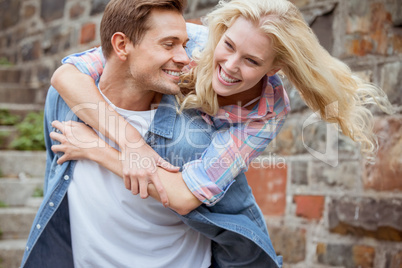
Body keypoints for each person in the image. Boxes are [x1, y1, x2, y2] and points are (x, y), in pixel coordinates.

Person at [22, 0, 284, 267]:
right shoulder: (66, 100)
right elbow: (65, 76)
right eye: (169, 44)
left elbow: (183, 197)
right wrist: (131, 144)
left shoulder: (194, 134)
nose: (185, 56)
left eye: (184, 43)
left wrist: (101, 150)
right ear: (122, 45)